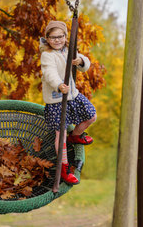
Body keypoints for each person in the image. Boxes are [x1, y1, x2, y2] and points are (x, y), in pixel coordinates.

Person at [40, 20, 97, 185]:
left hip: (73, 94)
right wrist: (58, 85)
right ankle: (63, 167)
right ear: (48, 39)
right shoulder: (47, 55)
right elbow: (49, 72)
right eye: (53, 37)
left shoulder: (69, 50)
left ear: (65, 37)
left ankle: (75, 136)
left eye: (60, 36)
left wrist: (80, 61)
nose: (57, 40)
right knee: (60, 134)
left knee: (91, 116)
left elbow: (85, 64)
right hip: (57, 98)